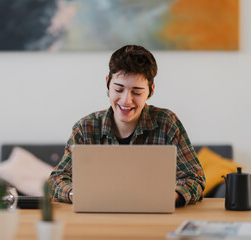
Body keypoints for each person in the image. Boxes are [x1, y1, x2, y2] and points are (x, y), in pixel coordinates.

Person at [48, 45, 205, 207]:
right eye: (119, 89)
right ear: (108, 84)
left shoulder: (167, 123)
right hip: (98, 218)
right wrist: (77, 194)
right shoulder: (85, 128)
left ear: (150, 91)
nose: (126, 100)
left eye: (136, 92)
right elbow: (56, 180)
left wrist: (169, 197)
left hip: (153, 217)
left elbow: (194, 178)